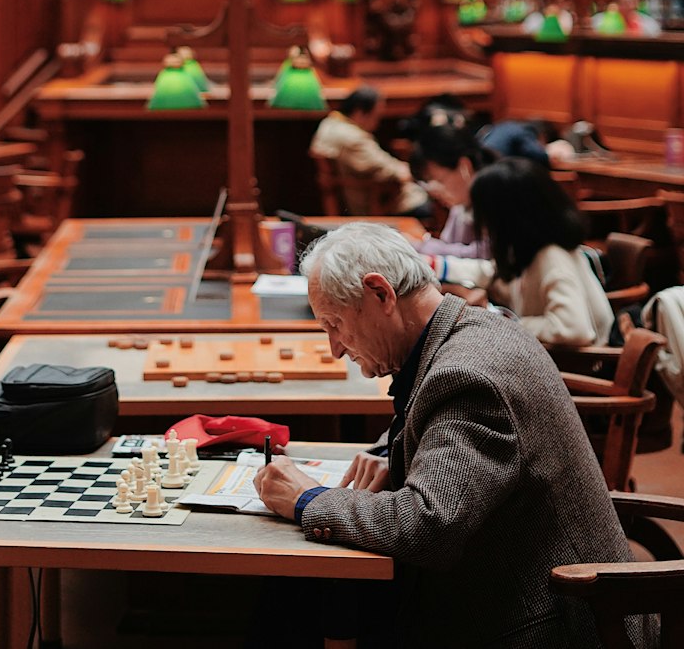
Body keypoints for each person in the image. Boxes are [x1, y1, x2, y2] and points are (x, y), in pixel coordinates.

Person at [253, 222, 645, 649]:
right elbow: (447, 431)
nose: (335, 347)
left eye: (335, 324)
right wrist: (393, 452)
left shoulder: (469, 375)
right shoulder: (469, 330)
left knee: (293, 611)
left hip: (547, 625)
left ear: (380, 294)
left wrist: (307, 499)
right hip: (520, 596)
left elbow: (427, 525)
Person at [469, 157, 613, 347]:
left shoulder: (552, 257)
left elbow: (574, 329)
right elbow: (498, 277)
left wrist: (506, 320)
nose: (482, 224)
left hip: (580, 368)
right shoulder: (529, 250)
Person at [310, 87, 428, 217]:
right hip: (377, 204)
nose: (377, 123)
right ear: (360, 112)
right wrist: (410, 171)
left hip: (358, 197)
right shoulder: (353, 138)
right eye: (376, 116)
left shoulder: (329, 123)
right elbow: (390, 171)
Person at [411, 112, 494, 260]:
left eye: (440, 181)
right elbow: (447, 244)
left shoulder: (496, 192)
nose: (435, 191)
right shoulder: (460, 203)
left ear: (464, 166)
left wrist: (424, 247)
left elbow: (488, 253)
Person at [590, 0, 661, 36]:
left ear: (637, 1)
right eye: (625, 1)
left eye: (632, 1)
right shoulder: (601, 21)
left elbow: (656, 33)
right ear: (617, 0)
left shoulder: (648, 24)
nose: (629, 5)